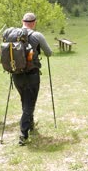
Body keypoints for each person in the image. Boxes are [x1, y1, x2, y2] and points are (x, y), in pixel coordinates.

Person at [13, 12, 52, 145]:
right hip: (31, 75)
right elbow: (49, 53)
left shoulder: (12, 34)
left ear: (22, 21)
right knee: (29, 104)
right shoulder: (37, 35)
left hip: (16, 75)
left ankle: (30, 124)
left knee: (25, 99)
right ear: (34, 23)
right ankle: (23, 134)